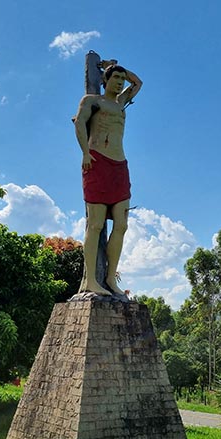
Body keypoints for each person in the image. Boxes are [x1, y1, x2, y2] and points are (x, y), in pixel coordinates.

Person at [73, 63, 142, 296]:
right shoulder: (92, 100)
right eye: (116, 77)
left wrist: (116, 64)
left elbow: (138, 83)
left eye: (123, 78)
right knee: (96, 224)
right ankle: (91, 280)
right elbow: (80, 122)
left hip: (119, 165)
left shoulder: (121, 102)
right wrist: (84, 152)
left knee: (121, 224)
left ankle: (111, 278)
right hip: (97, 161)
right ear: (106, 79)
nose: (121, 82)